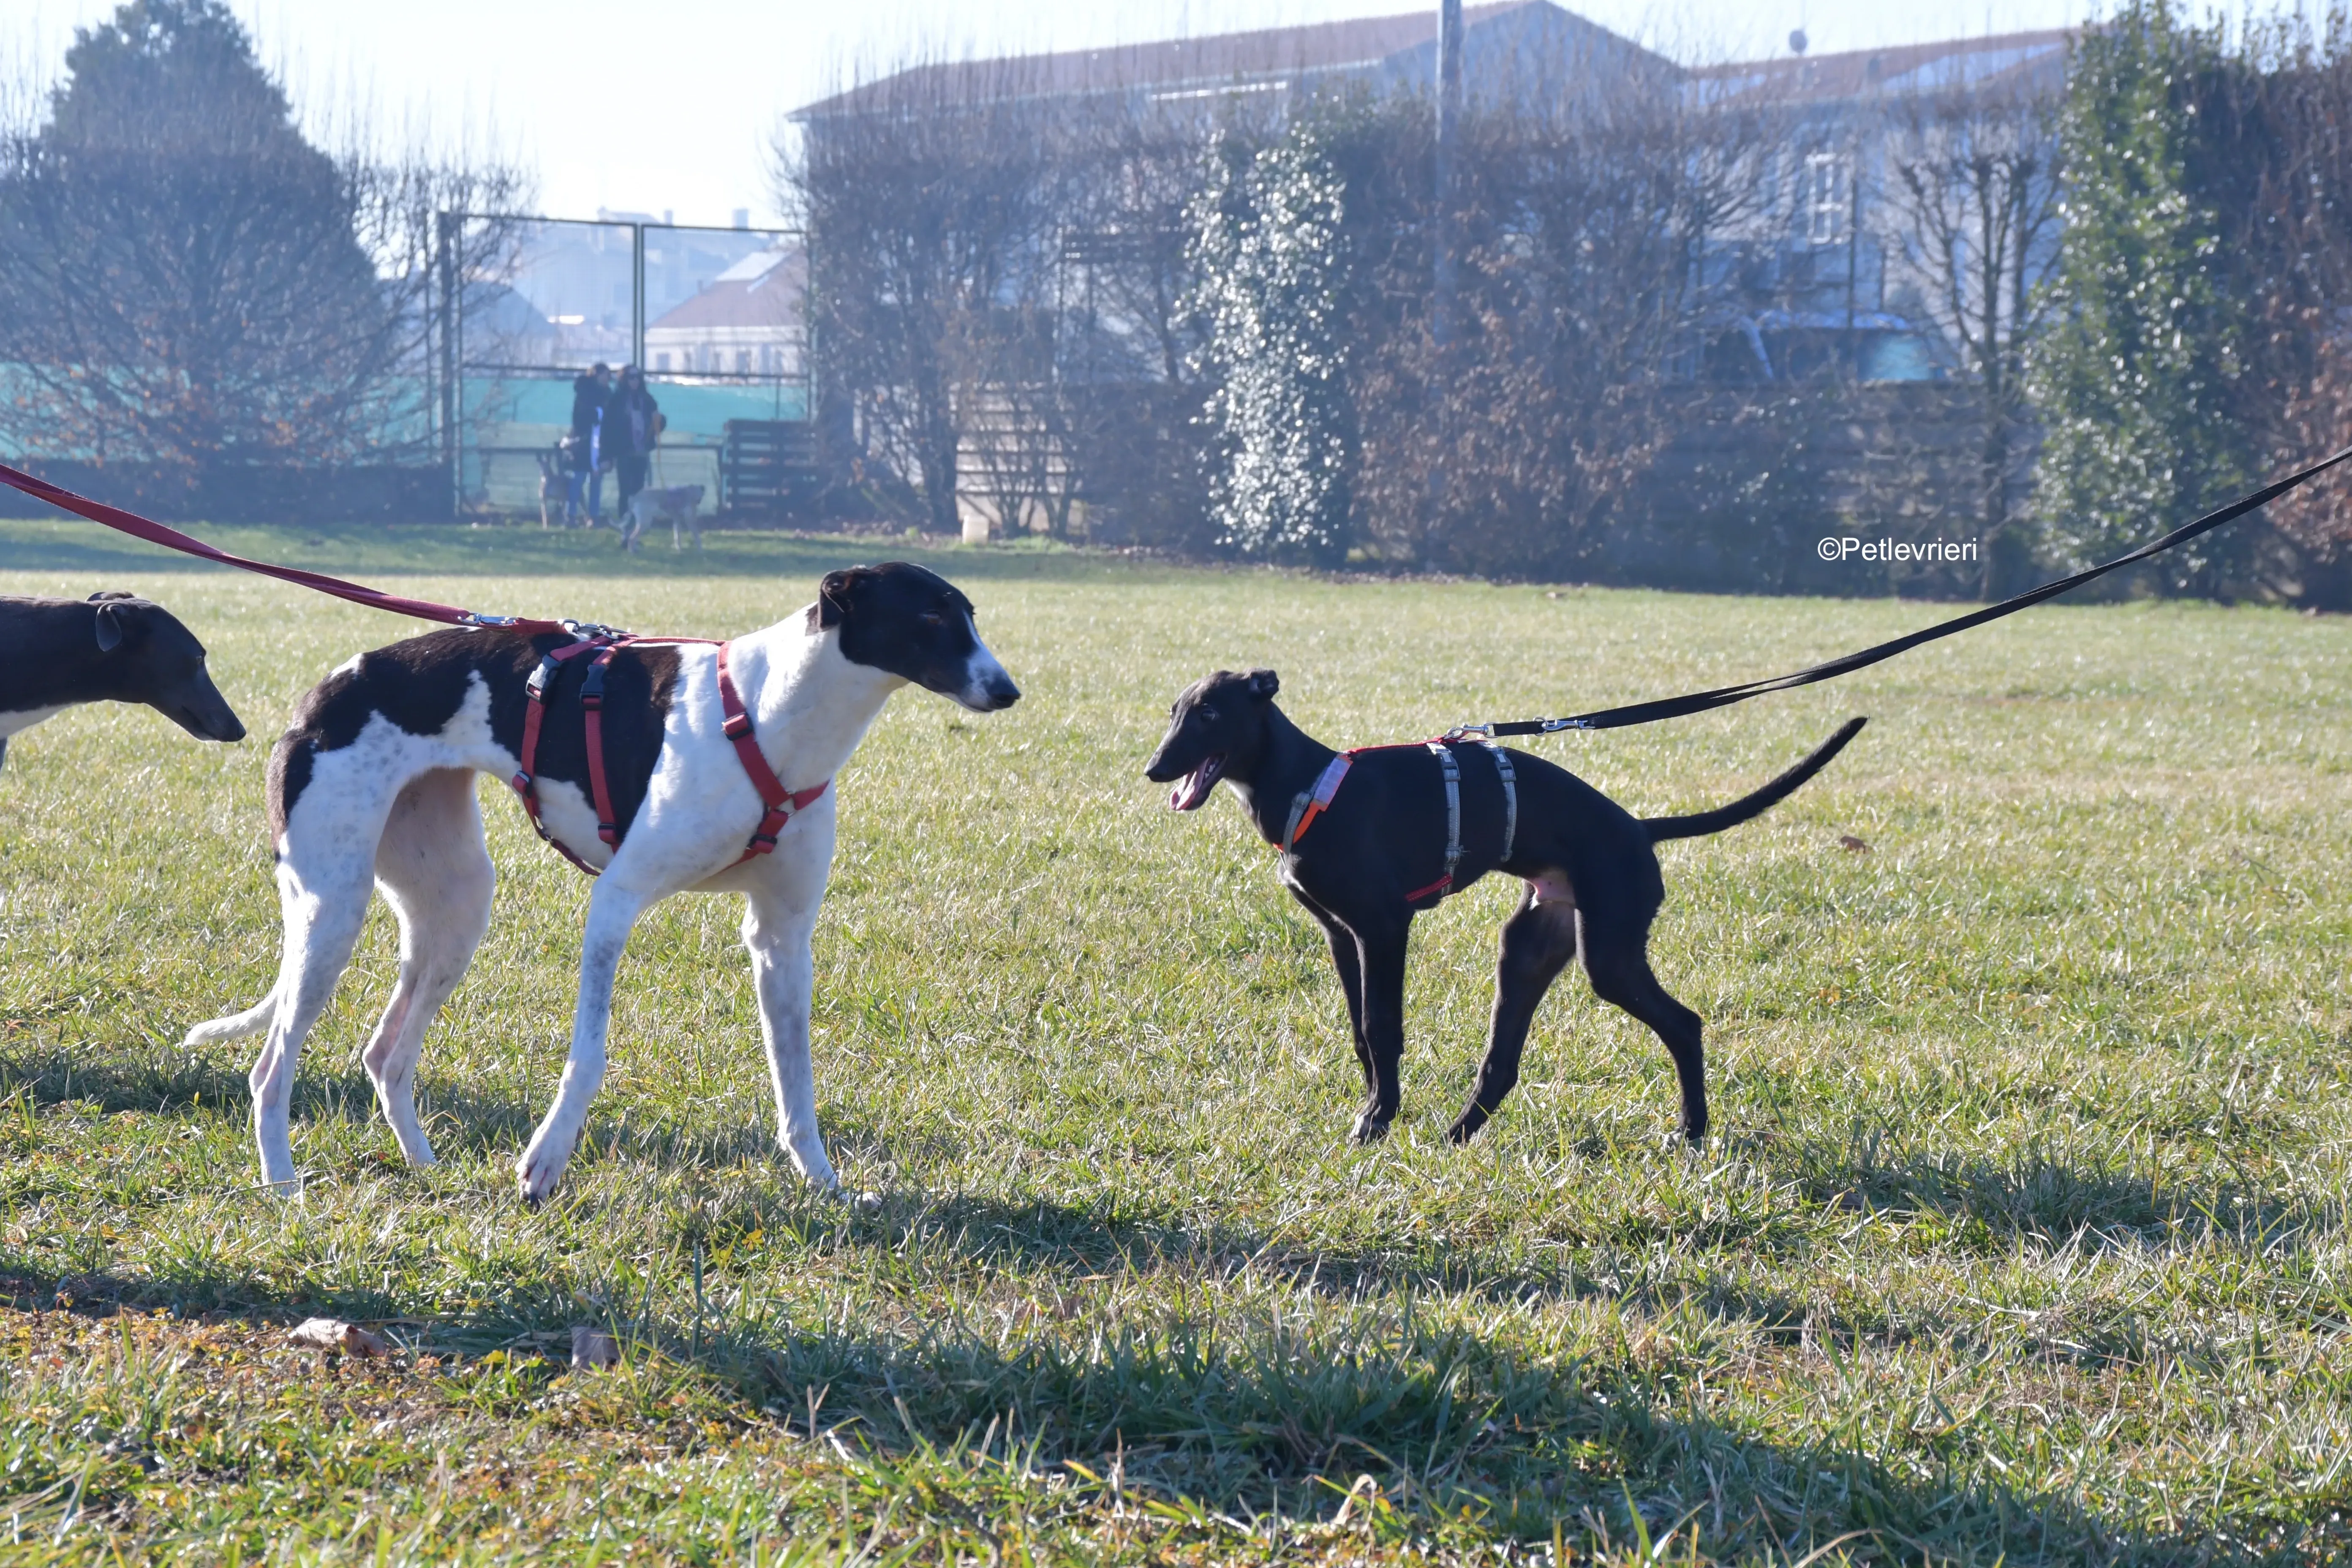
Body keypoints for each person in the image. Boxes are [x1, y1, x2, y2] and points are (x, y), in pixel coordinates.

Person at [606, 365, 664, 518]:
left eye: (638, 378)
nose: (635, 381)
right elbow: (608, 428)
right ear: (624, 380)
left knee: (638, 490)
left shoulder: (647, 399)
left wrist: (660, 421)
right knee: (625, 490)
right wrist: (606, 455)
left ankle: (636, 522)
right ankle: (624, 522)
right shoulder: (616, 400)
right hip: (624, 451)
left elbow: (657, 423)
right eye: (631, 378)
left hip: (641, 451)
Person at [567, 362, 614, 525]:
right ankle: (571, 515)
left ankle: (593, 517)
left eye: (608, 375)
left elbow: (610, 421)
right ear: (596, 375)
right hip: (584, 444)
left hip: (601, 445)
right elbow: (579, 418)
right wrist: (594, 418)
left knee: (596, 480)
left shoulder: (608, 394)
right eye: (604, 375)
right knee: (578, 479)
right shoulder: (585, 392)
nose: (607, 378)